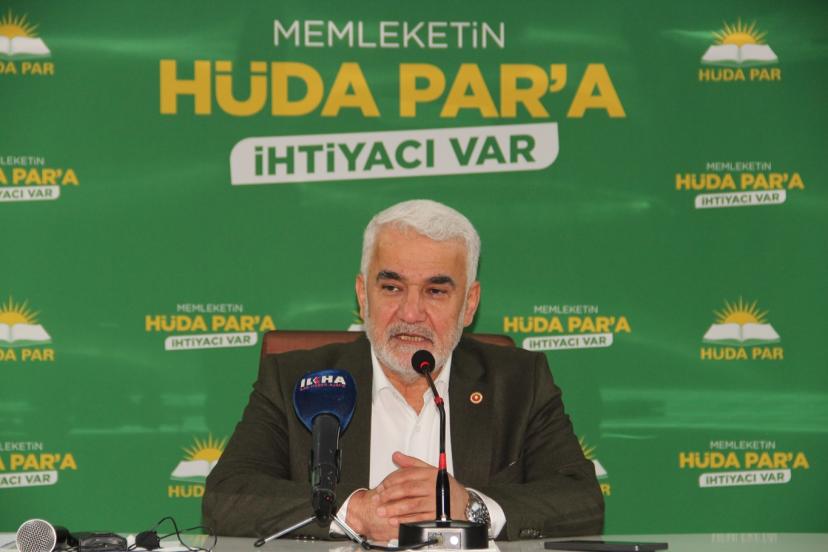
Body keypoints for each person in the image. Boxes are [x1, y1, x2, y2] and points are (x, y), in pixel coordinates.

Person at [203, 199, 604, 541]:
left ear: (469, 304)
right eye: (392, 288)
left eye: (436, 291)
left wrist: (471, 507)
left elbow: (582, 503)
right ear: (363, 296)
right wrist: (354, 513)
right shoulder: (297, 380)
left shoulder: (518, 382)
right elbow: (225, 499)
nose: (411, 313)